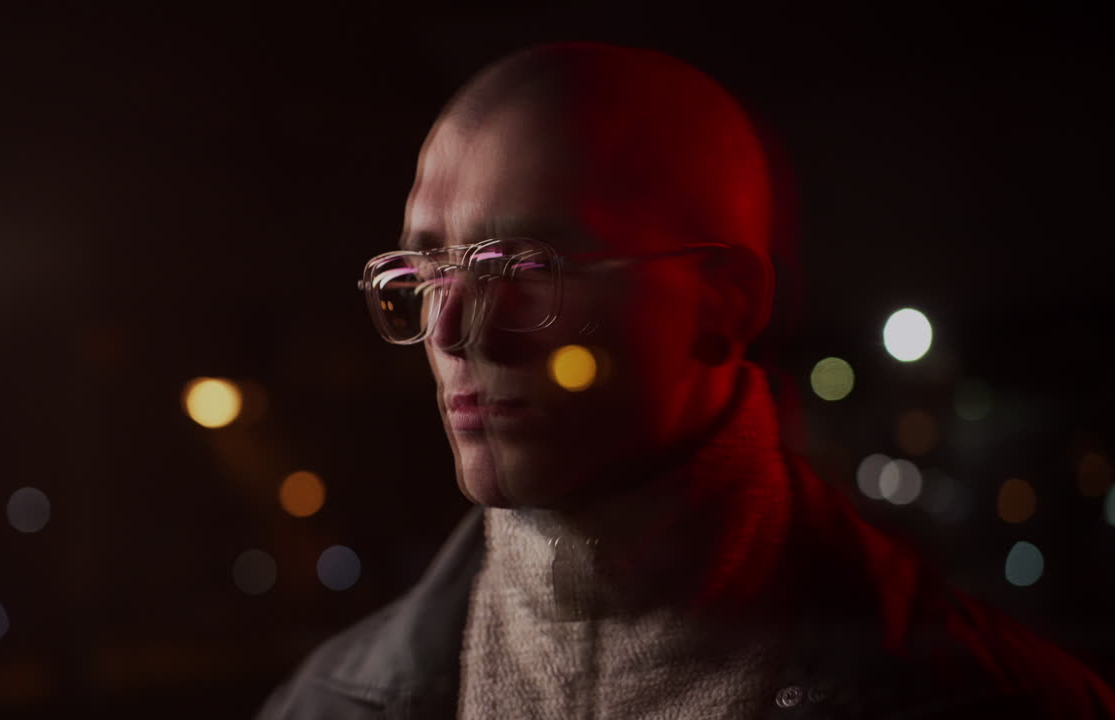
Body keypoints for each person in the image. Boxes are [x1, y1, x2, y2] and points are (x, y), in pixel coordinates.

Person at [260, 42, 1115, 719]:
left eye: (525, 265)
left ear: (725, 304)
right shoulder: (326, 703)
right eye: (423, 270)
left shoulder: (1001, 703)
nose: (447, 331)